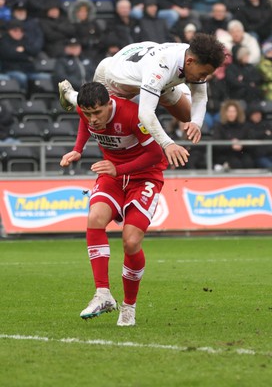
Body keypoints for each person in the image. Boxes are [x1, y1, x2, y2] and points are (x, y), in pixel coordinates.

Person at [60, 81, 168, 326]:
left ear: (109, 103)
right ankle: (103, 294)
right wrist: (78, 149)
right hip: (113, 176)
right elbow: (84, 123)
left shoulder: (134, 115)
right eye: (88, 113)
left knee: (130, 242)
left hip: (144, 177)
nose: (93, 119)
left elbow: (156, 155)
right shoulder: (85, 110)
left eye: (97, 113)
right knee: (95, 218)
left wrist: (118, 168)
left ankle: (129, 306)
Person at [58, 33, 226, 168]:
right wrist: (168, 144)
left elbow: (200, 95)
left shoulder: (192, 55)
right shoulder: (161, 69)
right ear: (189, 62)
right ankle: (70, 95)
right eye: (203, 73)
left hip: (152, 78)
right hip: (115, 78)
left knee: (187, 115)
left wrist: (196, 122)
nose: (204, 78)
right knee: (96, 113)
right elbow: (145, 113)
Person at [212, 99, 254, 170]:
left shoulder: (244, 126)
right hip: (225, 154)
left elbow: (250, 140)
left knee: (248, 163)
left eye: (234, 111)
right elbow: (216, 144)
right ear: (225, 113)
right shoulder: (219, 126)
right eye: (229, 111)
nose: (231, 114)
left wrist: (241, 144)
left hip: (241, 153)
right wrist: (231, 144)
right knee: (235, 164)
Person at [246, 101, 272, 168]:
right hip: (258, 156)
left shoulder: (268, 124)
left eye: (259, 114)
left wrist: (260, 136)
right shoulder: (247, 126)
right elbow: (251, 136)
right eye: (255, 114)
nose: (257, 116)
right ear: (250, 115)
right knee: (271, 168)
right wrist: (265, 133)